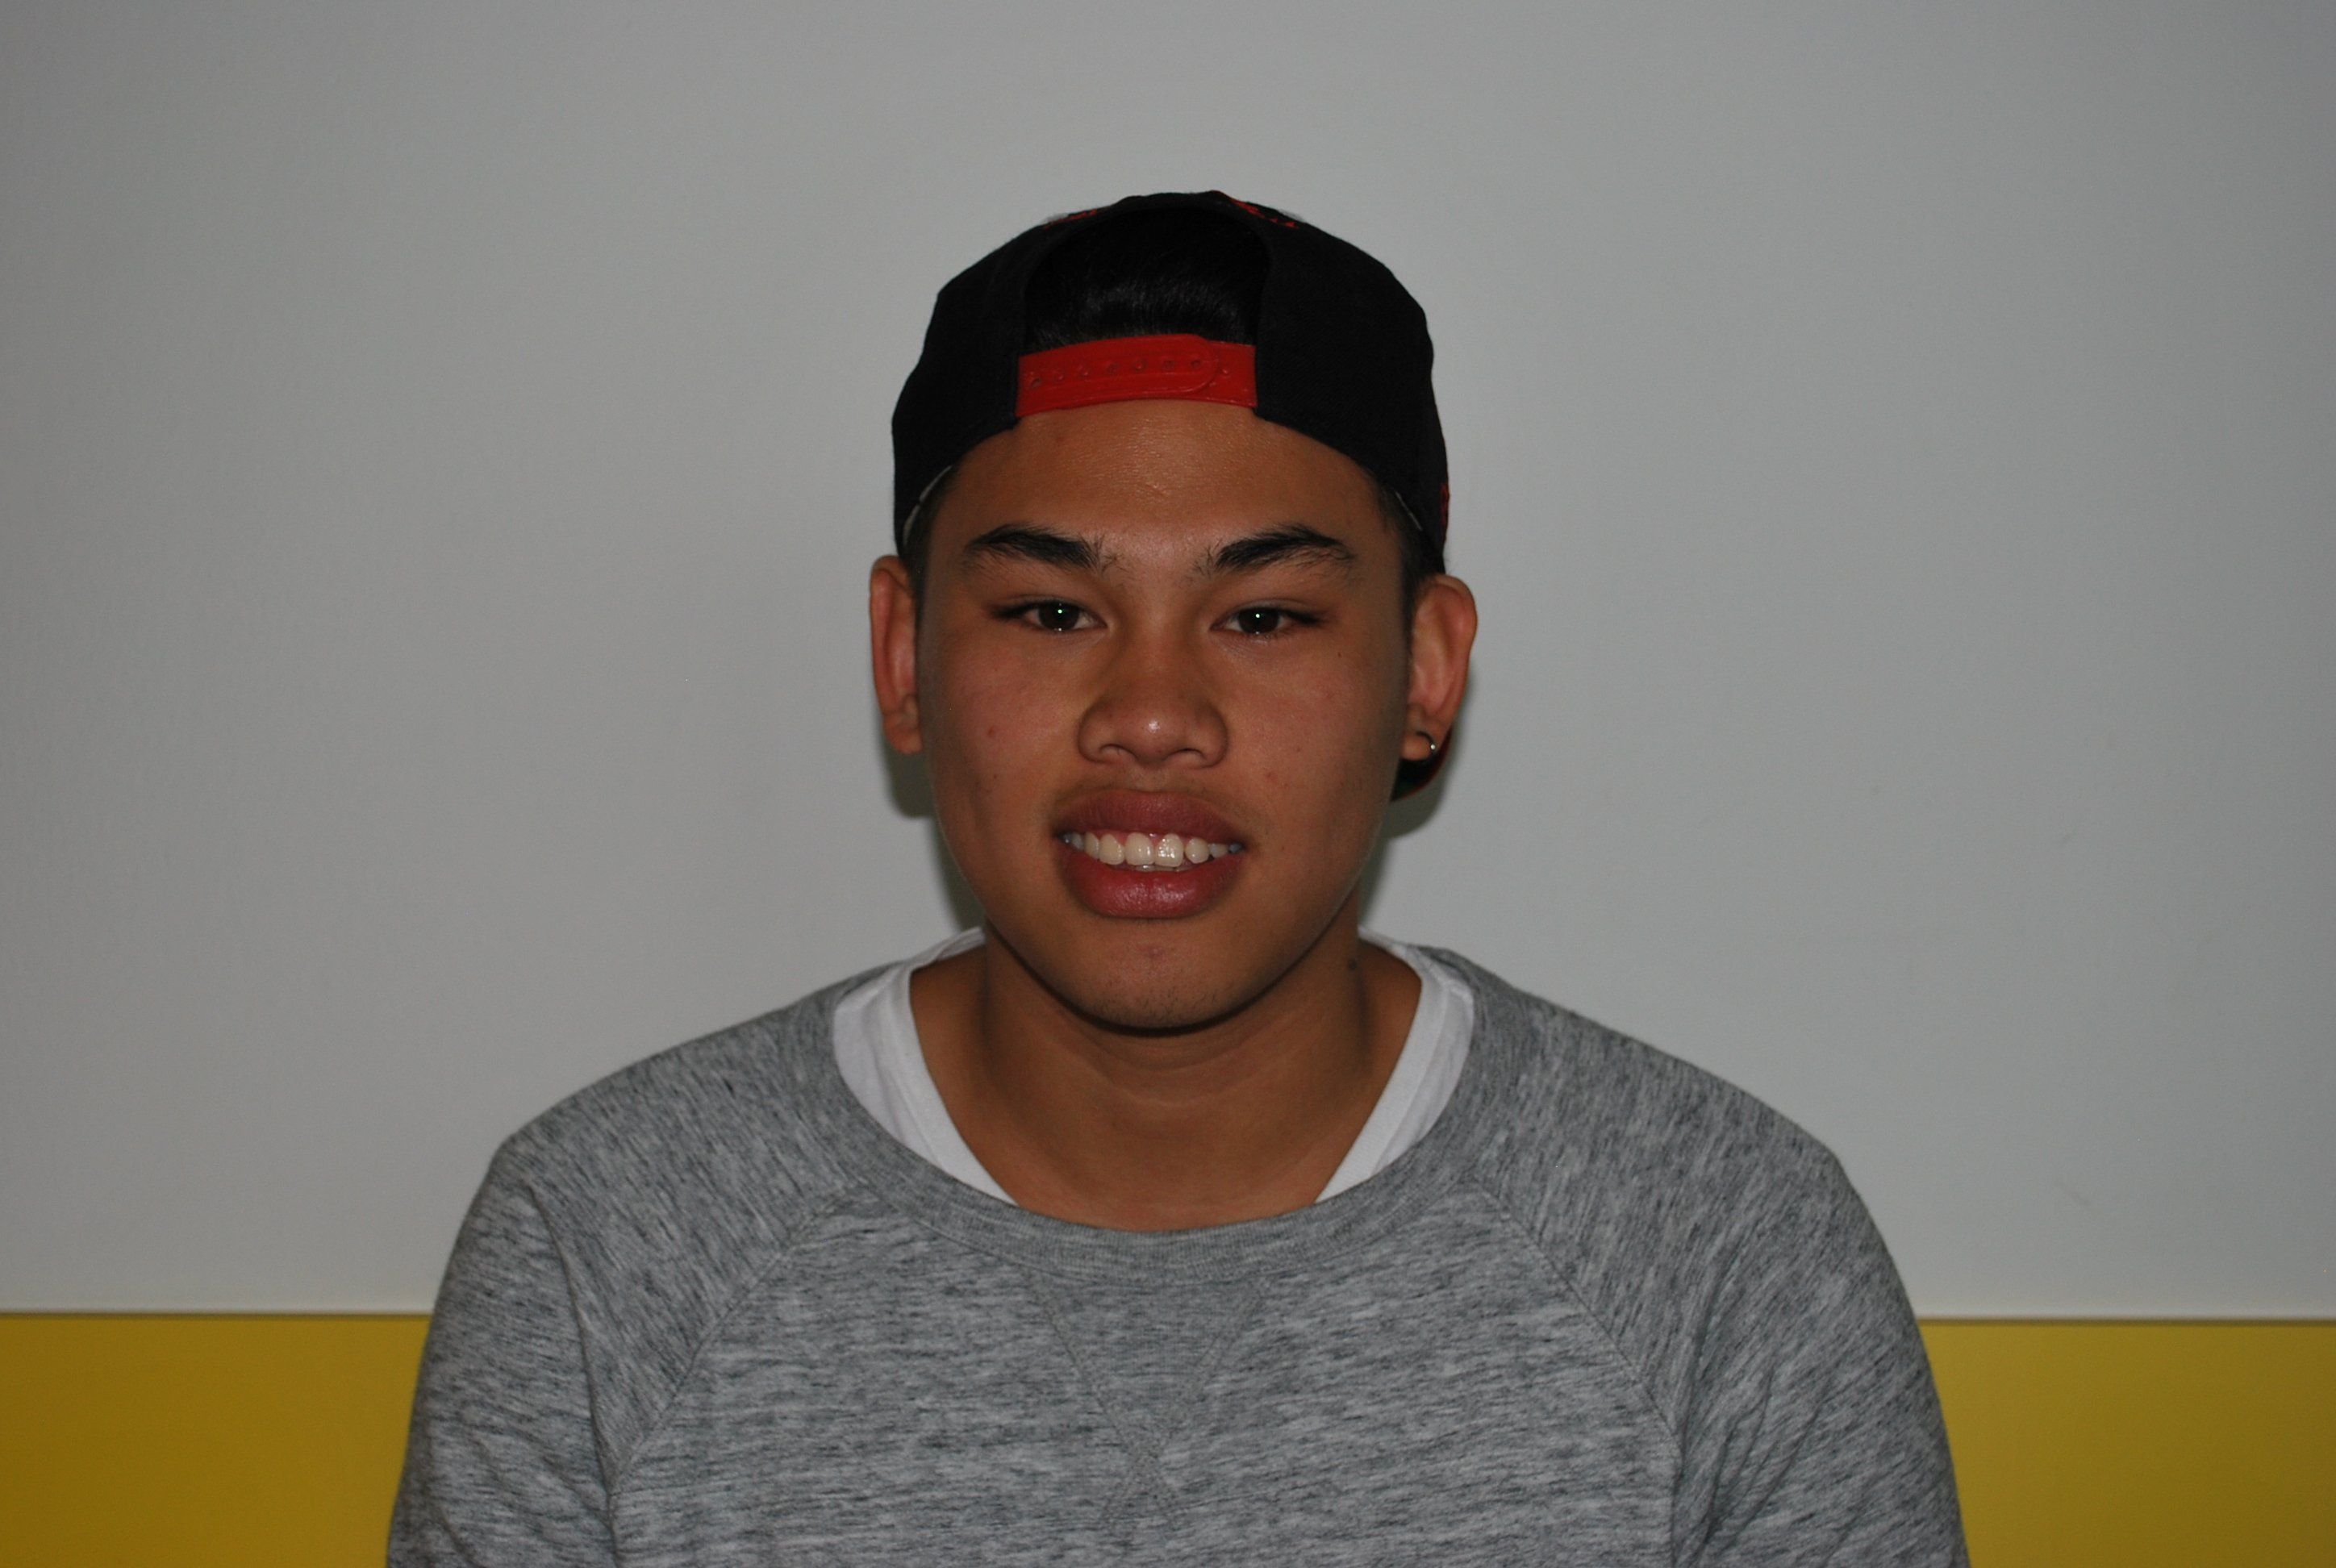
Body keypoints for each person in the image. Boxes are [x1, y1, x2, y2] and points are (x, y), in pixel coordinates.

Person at [390, 190, 1968, 1564]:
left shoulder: (1726, 1258)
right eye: (1050, 613)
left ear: (1425, 670)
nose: (1151, 715)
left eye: (1264, 616)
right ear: (903, 656)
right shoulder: (603, 1249)